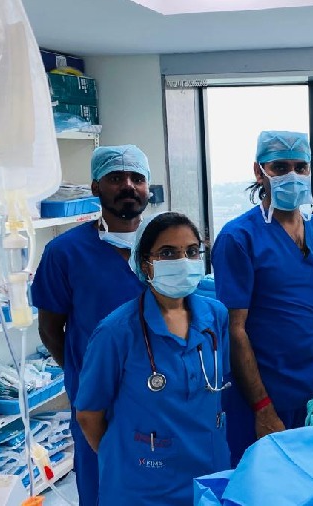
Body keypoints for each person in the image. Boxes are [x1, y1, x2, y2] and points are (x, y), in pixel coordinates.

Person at [75, 212, 231, 505]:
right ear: (146, 264)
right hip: (143, 486)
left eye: (191, 251)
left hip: (208, 474)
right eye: (168, 253)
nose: (183, 261)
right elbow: (88, 414)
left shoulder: (215, 317)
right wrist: (127, 459)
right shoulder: (116, 332)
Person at [31, 144, 151, 505]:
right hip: (98, 407)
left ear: (147, 187)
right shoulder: (65, 252)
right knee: (103, 489)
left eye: (137, 178)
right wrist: (85, 376)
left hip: (160, 399)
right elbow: (50, 329)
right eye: (116, 178)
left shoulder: (165, 246)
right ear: (96, 186)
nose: (128, 186)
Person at [211, 130, 313, 465]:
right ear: (259, 171)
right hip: (266, 396)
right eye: (280, 167)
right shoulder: (239, 237)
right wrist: (262, 408)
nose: (292, 176)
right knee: (267, 483)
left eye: (300, 167)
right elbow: (235, 329)